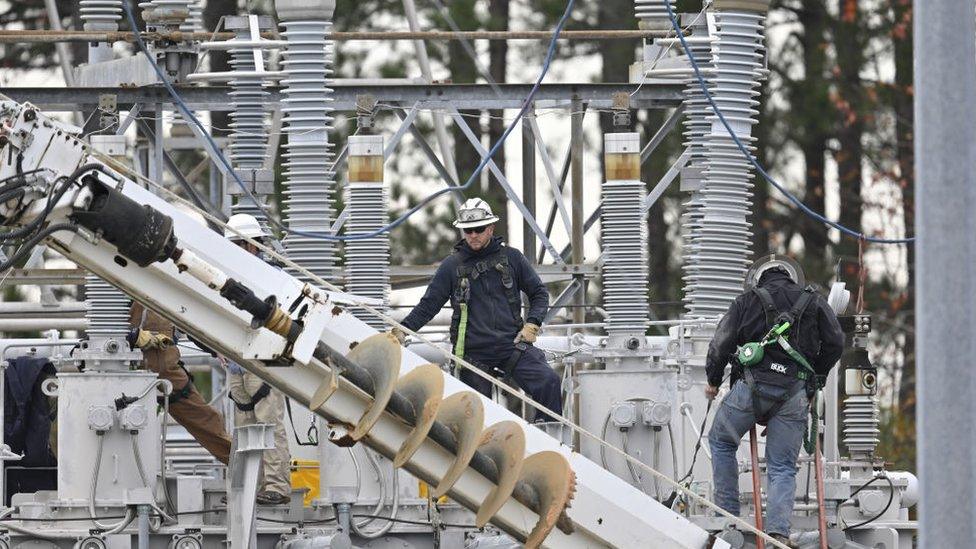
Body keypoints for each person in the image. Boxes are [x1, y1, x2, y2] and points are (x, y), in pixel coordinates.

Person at [704, 257, 844, 545]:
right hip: (794, 395)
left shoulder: (745, 301)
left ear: (758, 279)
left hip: (750, 391)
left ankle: (728, 519)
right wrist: (817, 374)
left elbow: (721, 344)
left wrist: (713, 380)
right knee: (782, 466)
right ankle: (777, 533)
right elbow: (836, 343)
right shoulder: (814, 301)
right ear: (794, 278)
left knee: (721, 441)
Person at [393, 198, 562, 422]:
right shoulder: (451, 267)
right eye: (468, 230)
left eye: (479, 229)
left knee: (548, 382)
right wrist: (402, 330)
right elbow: (428, 306)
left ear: (490, 228)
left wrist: (532, 324)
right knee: (476, 415)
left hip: (511, 346)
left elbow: (539, 293)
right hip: (472, 354)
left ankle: (550, 441)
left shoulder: (512, 259)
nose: (473, 235)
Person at [223, 213, 292, 505]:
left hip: (264, 361)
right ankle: (252, 488)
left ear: (253, 245)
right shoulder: (227, 274)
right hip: (237, 360)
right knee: (244, 428)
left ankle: (276, 487)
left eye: (240, 243)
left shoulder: (271, 277)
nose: (236, 248)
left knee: (267, 423)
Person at [128, 303, 232, 465]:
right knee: (126, 429)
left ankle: (245, 467)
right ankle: (245, 467)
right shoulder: (132, 290)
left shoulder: (162, 293)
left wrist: (215, 348)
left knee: (206, 420)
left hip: (163, 374)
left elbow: (189, 323)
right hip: (129, 371)